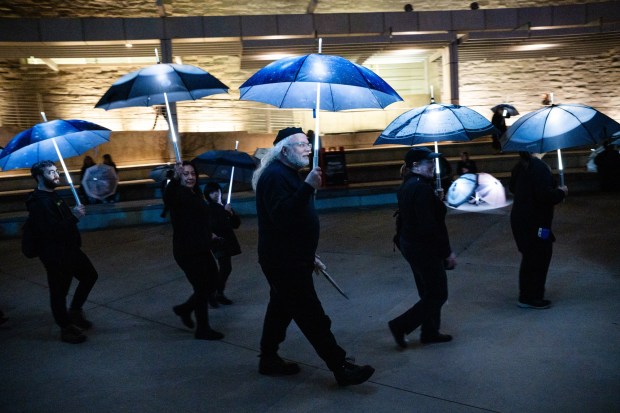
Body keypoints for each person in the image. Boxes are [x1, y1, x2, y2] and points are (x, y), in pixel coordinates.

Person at [252, 127, 374, 386]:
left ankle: (268, 358)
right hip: (284, 262)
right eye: (301, 145)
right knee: (312, 316)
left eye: (308, 144)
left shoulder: (288, 174)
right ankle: (340, 367)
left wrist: (309, 253)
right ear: (284, 150)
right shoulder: (275, 176)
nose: (308, 148)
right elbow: (282, 217)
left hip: (292, 256)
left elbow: (293, 223)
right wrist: (307, 187)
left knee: (280, 309)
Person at [388, 147, 457, 349]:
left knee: (427, 291)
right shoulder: (421, 189)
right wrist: (447, 252)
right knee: (437, 294)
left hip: (412, 246)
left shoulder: (409, 185)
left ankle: (430, 331)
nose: (433, 166)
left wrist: (436, 200)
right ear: (415, 166)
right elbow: (430, 227)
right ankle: (400, 326)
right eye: (428, 162)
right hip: (424, 249)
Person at [26, 160, 99, 344]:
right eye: (50, 172)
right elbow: (50, 232)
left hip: (70, 249)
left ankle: (74, 311)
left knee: (90, 276)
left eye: (56, 171)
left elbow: (63, 223)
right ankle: (66, 327)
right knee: (59, 292)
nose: (56, 175)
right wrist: (74, 217)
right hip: (55, 254)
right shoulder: (38, 202)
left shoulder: (53, 196)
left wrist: (73, 215)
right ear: (39, 177)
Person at [164, 161, 224, 340]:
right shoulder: (177, 194)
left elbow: (198, 220)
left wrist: (210, 234)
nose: (190, 177)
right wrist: (174, 178)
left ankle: (184, 309)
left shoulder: (194, 193)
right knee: (202, 287)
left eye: (192, 174)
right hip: (188, 250)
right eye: (185, 174)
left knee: (213, 281)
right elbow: (168, 198)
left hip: (202, 246)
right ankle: (203, 329)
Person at [509, 152, 568, 309]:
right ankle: (532, 296)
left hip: (523, 222)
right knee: (541, 253)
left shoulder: (520, 166)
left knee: (531, 256)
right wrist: (561, 192)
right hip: (538, 225)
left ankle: (527, 294)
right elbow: (545, 196)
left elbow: (513, 187)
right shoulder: (539, 167)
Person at [203, 181, 241, 306]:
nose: (215, 194)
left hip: (228, 241)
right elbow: (215, 224)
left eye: (217, 191)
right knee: (225, 268)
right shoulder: (210, 208)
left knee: (226, 268)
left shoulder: (225, 205)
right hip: (218, 241)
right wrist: (225, 212)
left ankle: (217, 293)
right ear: (208, 195)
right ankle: (214, 294)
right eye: (212, 192)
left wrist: (231, 213)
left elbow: (236, 224)